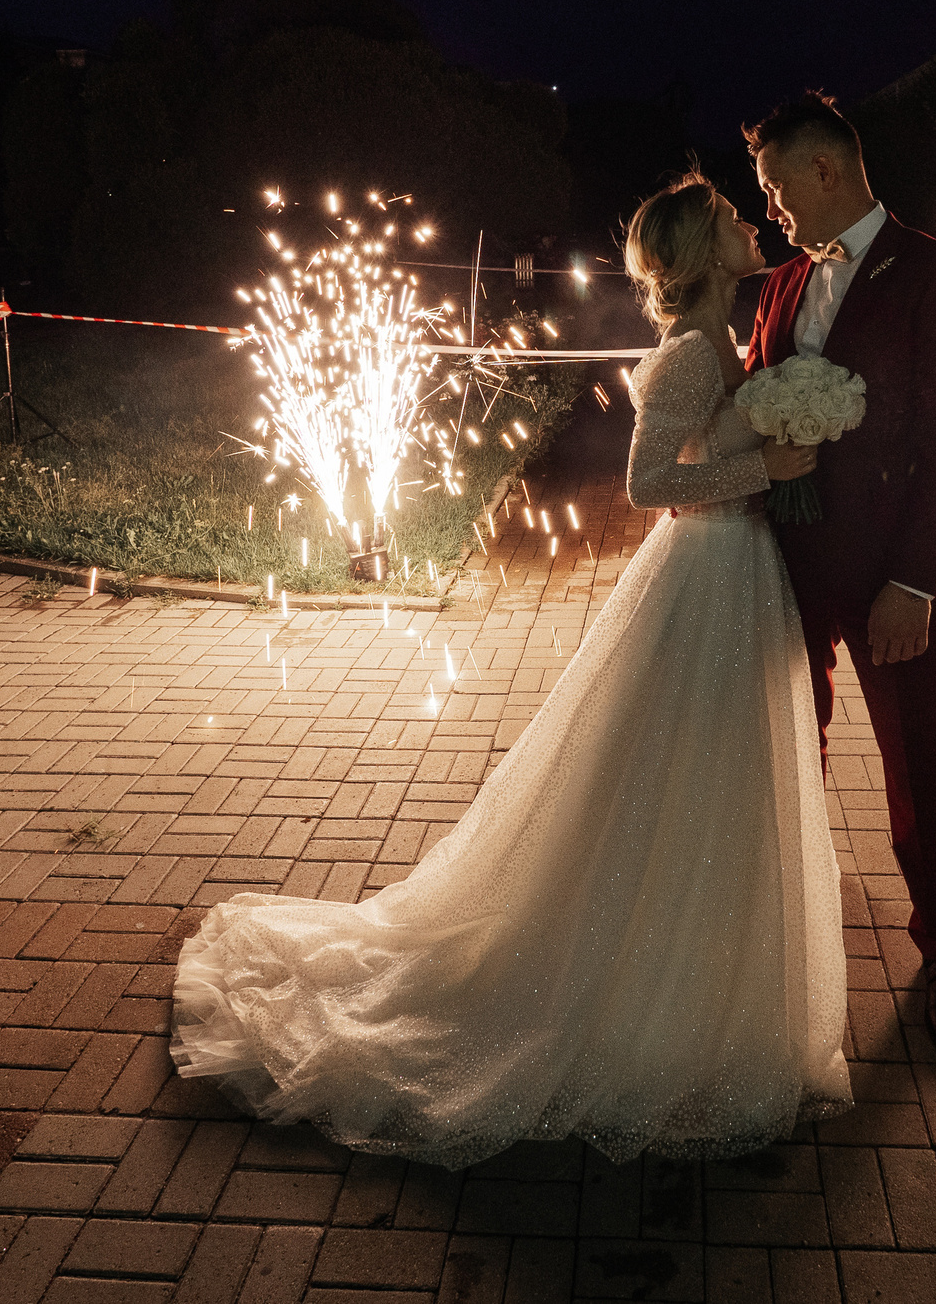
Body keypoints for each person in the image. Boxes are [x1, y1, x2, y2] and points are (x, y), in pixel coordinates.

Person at [169, 173, 851, 1169]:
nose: (752, 227)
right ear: (705, 254)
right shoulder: (687, 359)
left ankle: (691, 984)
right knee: (675, 785)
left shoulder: (723, 344)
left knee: (712, 792)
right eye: (731, 221)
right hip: (704, 578)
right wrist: (767, 468)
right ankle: (644, 1002)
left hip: (737, 576)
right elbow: (648, 482)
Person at [745, 92, 936, 1054]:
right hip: (784, 569)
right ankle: (789, 941)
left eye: (774, 185)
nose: (768, 205)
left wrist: (917, 581)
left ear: (824, 170)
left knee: (919, 765)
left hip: (893, 573)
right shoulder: (777, 285)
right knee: (783, 755)